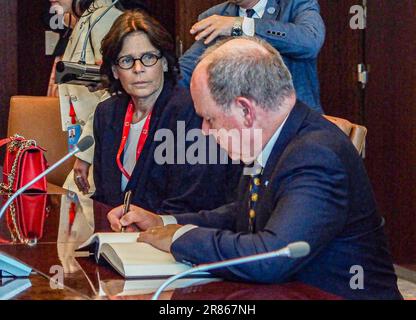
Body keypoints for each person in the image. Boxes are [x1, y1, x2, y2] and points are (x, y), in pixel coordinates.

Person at [107, 37, 402, 300]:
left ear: (246, 110)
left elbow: (271, 257)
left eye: (210, 119)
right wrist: (165, 222)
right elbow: (244, 212)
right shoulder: (276, 135)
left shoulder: (316, 154)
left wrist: (179, 238)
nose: (205, 132)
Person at [93, 11, 241, 212]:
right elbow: (104, 195)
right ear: (114, 70)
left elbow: (193, 200)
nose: (138, 69)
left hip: (170, 234)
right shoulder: (106, 113)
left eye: (148, 57)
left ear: (164, 62)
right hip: (117, 235)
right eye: (126, 60)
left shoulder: (190, 111)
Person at [179, 0, 325, 113]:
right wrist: (159, 70)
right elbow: (187, 69)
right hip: (239, 126)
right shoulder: (216, 16)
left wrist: (241, 26)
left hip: (295, 122)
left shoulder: (294, 4)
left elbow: (310, 41)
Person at [53, 0, 122, 195]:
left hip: (103, 148)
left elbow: (113, 93)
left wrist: (85, 154)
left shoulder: (104, 18)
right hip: (92, 146)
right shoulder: (88, 19)